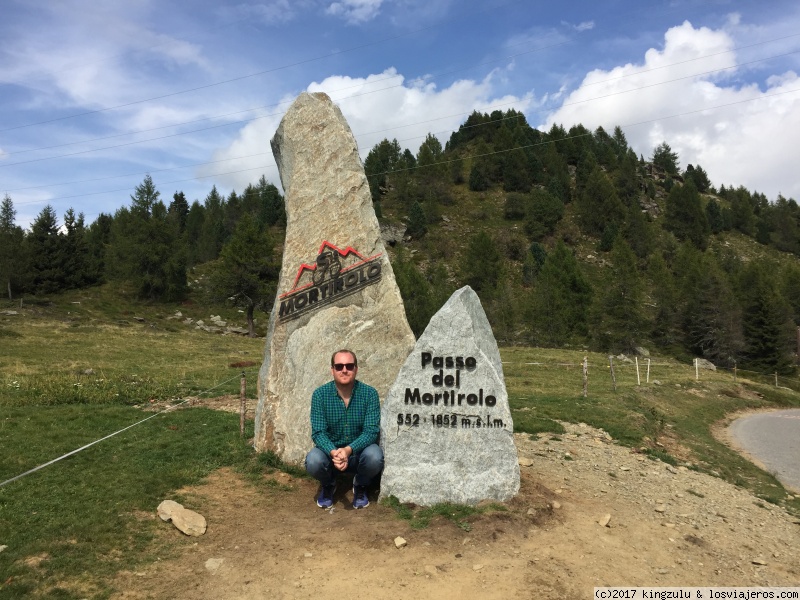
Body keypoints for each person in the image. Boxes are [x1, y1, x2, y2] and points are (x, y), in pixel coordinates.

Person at [305, 349, 383, 509]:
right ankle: (328, 484)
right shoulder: (320, 395)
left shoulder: (370, 394)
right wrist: (334, 452)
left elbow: (371, 431)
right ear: (332, 370)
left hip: (359, 453)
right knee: (313, 461)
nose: (344, 370)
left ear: (356, 368)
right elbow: (319, 432)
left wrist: (348, 450)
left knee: (375, 457)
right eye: (339, 366)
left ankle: (361, 484)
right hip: (330, 454)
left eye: (349, 365)